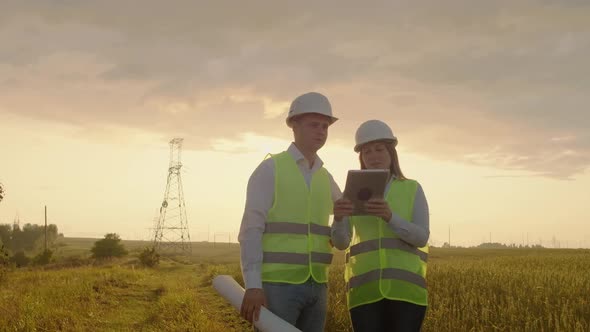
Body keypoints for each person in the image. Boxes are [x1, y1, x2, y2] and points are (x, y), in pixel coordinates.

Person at [238, 92, 341, 332]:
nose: (321, 131)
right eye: (314, 124)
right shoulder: (270, 169)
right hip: (277, 287)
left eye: (325, 126)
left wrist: (344, 217)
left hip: (318, 286)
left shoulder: (326, 178)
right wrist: (253, 286)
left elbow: (341, 233)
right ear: (293, 125)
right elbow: (251, 230)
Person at [332, 119, 430, 332]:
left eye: (379, 150)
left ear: (391, 153)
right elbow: (341, 243)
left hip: (406, 294)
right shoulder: (351, 192)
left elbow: (422, 237)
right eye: (367, 152)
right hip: (364, 295)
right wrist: (338, 219)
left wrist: (390, 217)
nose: (374, 156)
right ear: (361, 158)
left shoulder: (413, 188)